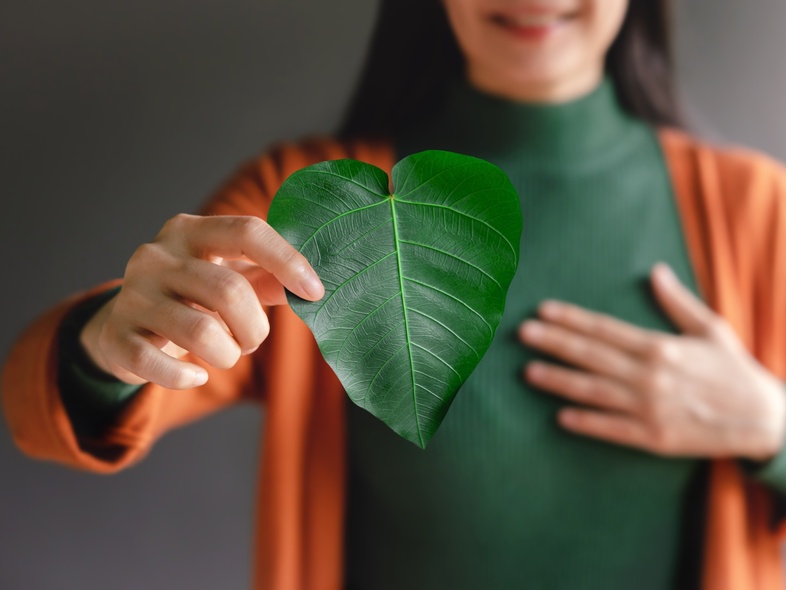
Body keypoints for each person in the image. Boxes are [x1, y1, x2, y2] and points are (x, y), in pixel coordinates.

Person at [4, 0, 786, 588]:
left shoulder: (758, 214)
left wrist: (771, 430)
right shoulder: (305, 199)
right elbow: (54, 411)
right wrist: (110, 343)